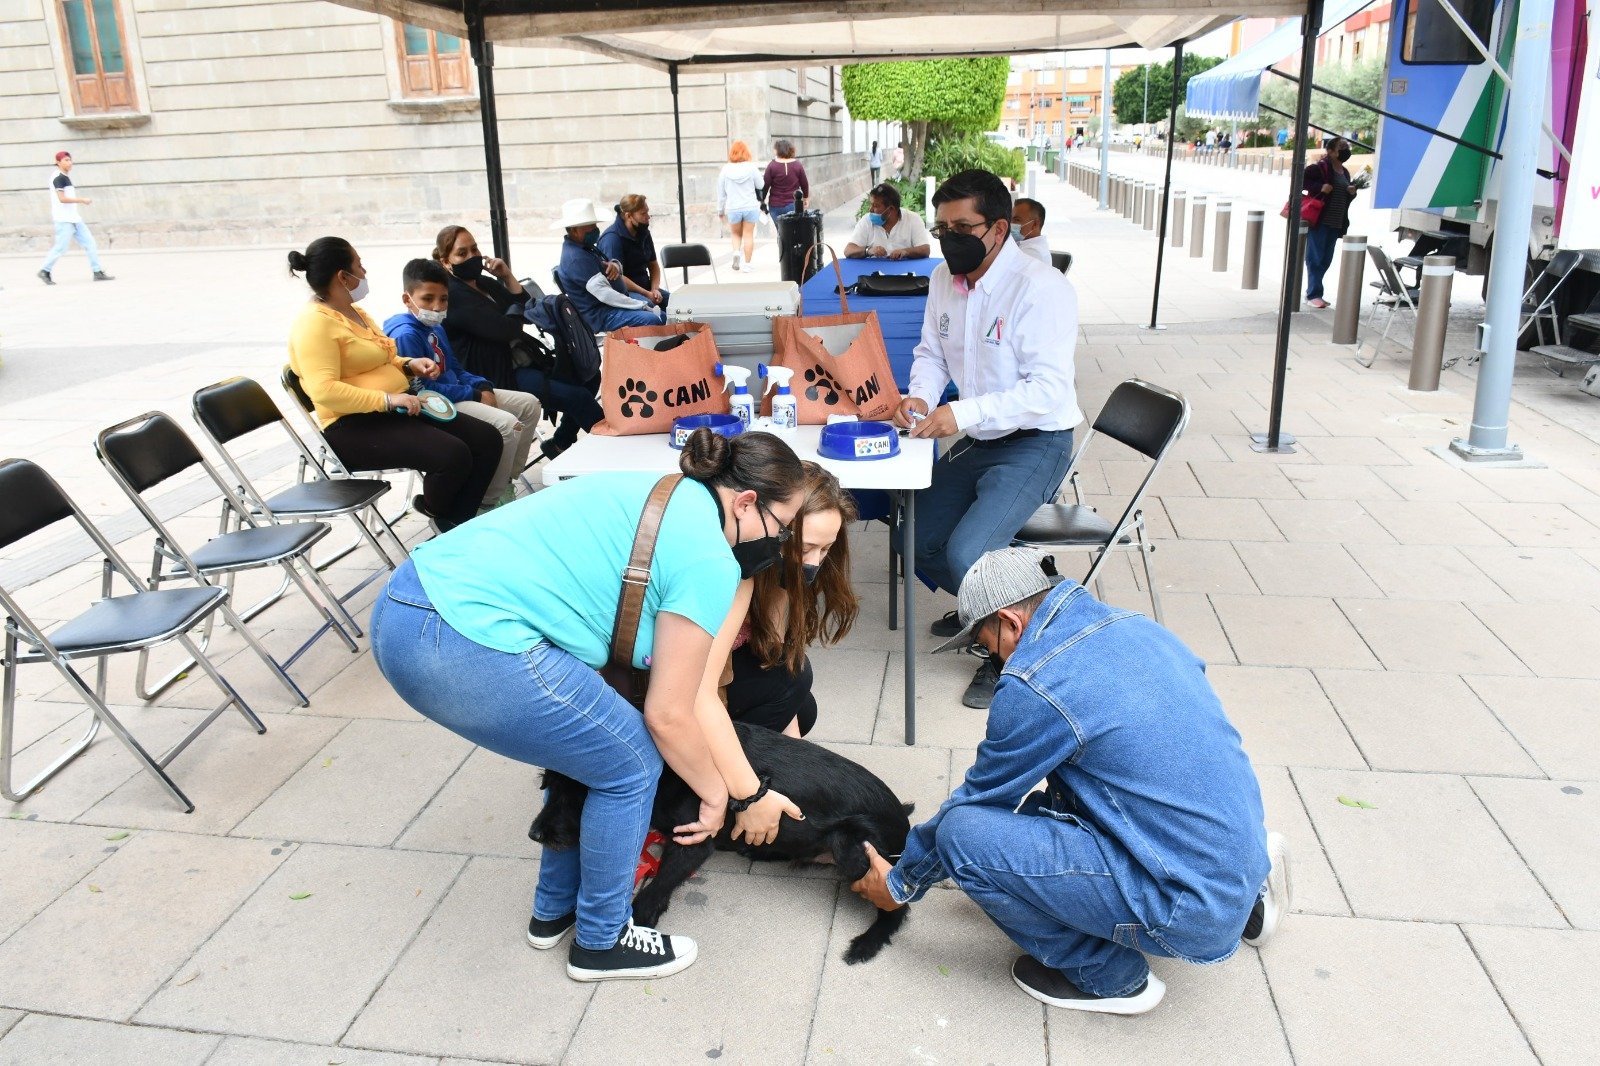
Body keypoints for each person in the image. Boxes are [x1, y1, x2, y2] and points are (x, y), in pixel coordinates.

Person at [369, 429, 809, 982]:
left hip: (404, 604)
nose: (780, 541)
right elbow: (670, 714)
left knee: (593, 751)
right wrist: (717, 793)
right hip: (460, 641)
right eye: (781, 525)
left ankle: (554, 911)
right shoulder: (710, 558)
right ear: (745, 502)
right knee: (632, 763)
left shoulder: (658, 488)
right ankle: (602, 942)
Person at [849, 547, 1289, 1016]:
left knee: (964, 837)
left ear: (1011, 623)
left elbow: (980, 799)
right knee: (1051, 801)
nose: (992, 657)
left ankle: (1112, 978)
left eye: (985, 644)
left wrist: (901, 883)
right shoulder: (1139, 628)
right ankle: (1247, 896)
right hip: (1235, 847)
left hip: (1187, 906)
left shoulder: (1037, 683)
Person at [892, 169, 1080, 710]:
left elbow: (1047, 390)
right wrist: (921, 397)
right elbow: (931, 354)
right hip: (982, 436)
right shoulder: (942, 280)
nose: (949, 238)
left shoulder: (1040, 288)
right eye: (942, 227)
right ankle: (988, 602)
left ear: (999, 228)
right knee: (914, 535)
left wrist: (960, 412)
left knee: (970, 553)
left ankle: (1010, 651)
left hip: (1036, 440)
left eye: (962, 227)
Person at [286, 236, 502, 533]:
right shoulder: (314, 324)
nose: (364, 273)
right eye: (359, 266)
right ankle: (448, 519)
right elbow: (324, 390)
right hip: (353, 425)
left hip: (396, 408)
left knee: (487, 439)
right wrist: (387, 399)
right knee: (453, 454)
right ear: (343, 277)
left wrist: (408, 364)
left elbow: (382, 357)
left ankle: (454, 520)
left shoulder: (354, 312)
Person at [384, 258, 543, 510]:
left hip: (456, 393)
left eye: (443, 299)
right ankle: (486, 504)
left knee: (529, 405)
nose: (437, 307)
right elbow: (422, 390)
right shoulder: (406, 335)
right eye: (427, 299)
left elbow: (455, 369)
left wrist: (483, 386)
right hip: (434, 405)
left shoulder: (436, 326)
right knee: (508, 426)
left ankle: (504, 482)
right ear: (407, 299)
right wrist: (474, 394)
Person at [433, 225, 601, 463]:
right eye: (462, 253)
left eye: (475, 249)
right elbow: (506, 329)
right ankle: (616, 447)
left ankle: (560, 442)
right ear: (446, 262)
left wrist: (506, 276)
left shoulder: (484, 282)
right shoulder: (455, 296)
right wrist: (516, 314)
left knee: (589, 376)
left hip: (521, 360)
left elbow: (528, 307)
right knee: (578, 397)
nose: (472, 256)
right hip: (496, 375)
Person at [723, 463, 859, 737]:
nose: (814, 562)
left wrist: (784, 588)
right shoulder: (737, 572)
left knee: (802, 706)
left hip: (728, 671)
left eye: (825, 549)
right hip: (694, 683)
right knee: (792, 681)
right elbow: (703, 686)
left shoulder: (778, 571)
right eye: (806, 548)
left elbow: (773, 649)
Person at [554, 198, 664, 332]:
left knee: (661, 313)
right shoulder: (576, 258)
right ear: (574, 230)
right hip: (601, 313)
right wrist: (639, 305)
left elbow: (609, 265)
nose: (595, 229)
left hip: (609, 305)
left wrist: (615, 266)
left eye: (594, 225)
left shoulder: (585, 248)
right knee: (654, 319)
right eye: (589, 226)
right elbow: (605, 294)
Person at [38, 151, 112, 285]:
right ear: (58, 162)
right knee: (61, 247)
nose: (69, 163)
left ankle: (97, 272)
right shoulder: (59, 178)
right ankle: (44, 270)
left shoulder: (64, 177)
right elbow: (62, 198)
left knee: (90, 243)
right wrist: (82, 200)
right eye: (66, 160)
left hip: (75, 219)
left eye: (70, 160)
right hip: (64, 220)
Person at [1303, 136, 1358, 310]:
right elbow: (1301, 180)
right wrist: (1320, 187)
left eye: (1347, 147)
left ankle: (1316, 292)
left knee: (1326, 259)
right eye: (1341, 147)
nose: (1345, 150)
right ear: (1331, 151)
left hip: (1336, 222)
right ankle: (1314, 294)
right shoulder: (1320, 168)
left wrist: (1351, 192)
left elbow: (1344, 198)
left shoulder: (1345, 172)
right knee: (1315, 258)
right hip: (1320, 220)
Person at [598, 194, 668, 312]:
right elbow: (617, 277)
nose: (648, 217)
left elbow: (653, 264)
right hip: (625, 292)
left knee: (678, 304)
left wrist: (654, 289)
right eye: (643, 213)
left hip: (647, 288)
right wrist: (647, 294)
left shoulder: (643, 232)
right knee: (653, 309)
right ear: (629, 216)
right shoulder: (612, 239)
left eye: (647, 212)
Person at [843, 183, 931, 260]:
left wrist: (905, 252)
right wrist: (868, 250)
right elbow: (848, 250)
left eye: (875, 206)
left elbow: (925, 249)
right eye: (871, 205)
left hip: (906, 271)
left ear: (891, 209)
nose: (870, 209)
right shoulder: (866, 220)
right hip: (874, 271)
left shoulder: (913, 219)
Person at [717, 141, 764, 273]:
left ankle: (736, 253)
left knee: (736, 234)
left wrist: (720, 210)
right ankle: (747, 265)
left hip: (733, 208)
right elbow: (761, 185)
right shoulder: (751, 167)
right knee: (748, 235)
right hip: (750, 206)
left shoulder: (725, 169)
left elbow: (721, 193)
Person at [762, 140, 810, 230]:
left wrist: (762, 200)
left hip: (775, 205)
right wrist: (806, 198)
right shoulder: (797, 165)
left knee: (781, 231)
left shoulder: (772, 166)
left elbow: (765, 186)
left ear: (778, 150)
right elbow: (804, 183)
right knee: (793, 231)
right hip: (793, 204)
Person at [1010, 197, 1051, 265]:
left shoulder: (1033, 252)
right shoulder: (1023, 245)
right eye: (1010, 219)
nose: (1011, 224)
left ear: (1035, 224)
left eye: (1017, 220)